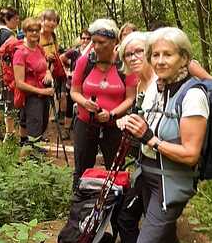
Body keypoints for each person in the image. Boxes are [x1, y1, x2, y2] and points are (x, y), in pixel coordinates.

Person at [118, 28, 210, 243]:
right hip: (149, 176)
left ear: (184, 58)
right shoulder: (157, 88)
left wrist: (150, 138)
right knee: (165, 239)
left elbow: (191, 154)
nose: (159, 60)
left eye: (167, 54)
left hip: (171, 184)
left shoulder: (193, 96)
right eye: (155, 54)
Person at [70, 18, 136, 190]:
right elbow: (74, 91)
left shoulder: (124, 64)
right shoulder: (85, 62)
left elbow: (130, 98)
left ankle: (115, 203)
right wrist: (85, 103)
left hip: (114, 126)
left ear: (114, 42)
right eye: (94, 42)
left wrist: (112, 114)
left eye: (102, 43)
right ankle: (79, 200)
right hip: (86, 124)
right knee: (81, 169)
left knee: (116, 170)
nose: (96, 47)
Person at [13, 17, 54, 152]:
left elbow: (45, 67)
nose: (35, 33)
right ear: (25, 32)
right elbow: (19, 83)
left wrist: (48, 73)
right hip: (31, 98)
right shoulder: (20, 53)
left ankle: (33, 155)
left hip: (43, 96)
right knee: (34, 131)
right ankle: (33, 158)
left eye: (37, 30)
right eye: (31, 30)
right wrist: (42, 91)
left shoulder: (38, 48)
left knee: (41, 127)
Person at [0, 7, 19, 141]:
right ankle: (9, 135)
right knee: (9, 102)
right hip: (6, 73)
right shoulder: (7, 34)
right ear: (7, 19)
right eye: (15, 19)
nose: (17, 21)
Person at [61, 29, 92, 133]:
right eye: (83, 38)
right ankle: (66, 131)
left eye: (88, 38)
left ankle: (81, 131)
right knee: (69, 106)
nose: (85, 41)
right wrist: (67, 71)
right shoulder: (75, 52)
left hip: (87, 85)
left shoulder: (93, 53)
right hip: (72, 84)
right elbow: (61, 58)